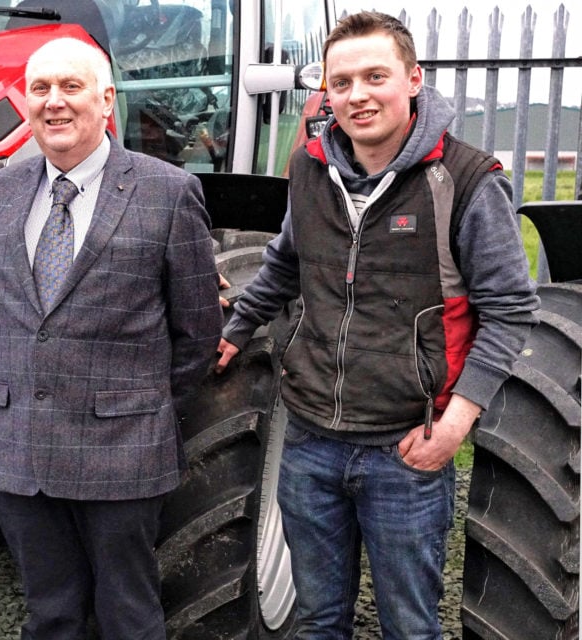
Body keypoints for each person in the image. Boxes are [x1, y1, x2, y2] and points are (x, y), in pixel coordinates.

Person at [214, 11, 539, 639]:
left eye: (375, 76)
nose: (358, 95)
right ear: (326, 92)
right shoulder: (310, 167)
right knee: (318, 622)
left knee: (410, 627)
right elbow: (285, 262)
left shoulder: (466, 181)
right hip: (309, 441)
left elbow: (509, 309)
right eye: (342, 83)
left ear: (413, 79)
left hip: (405, 451)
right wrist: (236, 328)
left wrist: (454, 426)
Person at [0, 36, 221, 639]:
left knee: (128, 616)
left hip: (123, 453)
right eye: (40, 89)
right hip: (22, 454)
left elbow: (197, 332)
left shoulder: (168, 192)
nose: (54, 102)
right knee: (50, 615)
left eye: (71, 87)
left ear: (106, 100)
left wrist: (141, 407)